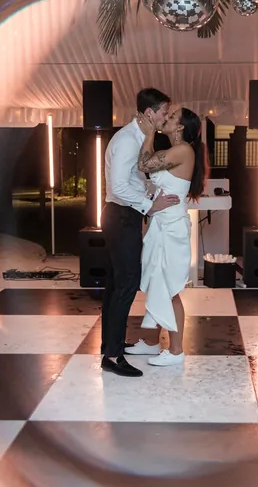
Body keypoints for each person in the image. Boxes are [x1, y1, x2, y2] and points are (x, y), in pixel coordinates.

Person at [100, 88, 180, 378]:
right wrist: (151, 205)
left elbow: (131, 180)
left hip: (122, 216)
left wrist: (149, 189)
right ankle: (112, 356)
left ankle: (111, 345)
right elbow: (119, 187)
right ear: (149, 113)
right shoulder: (126, 141)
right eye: (163, 112)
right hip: (121, 218)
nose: (165, 117)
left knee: (116, 286)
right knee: (126, 285)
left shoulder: (136, 138)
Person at [124, 106, 208, 366]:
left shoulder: (183, 151)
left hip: (172, 229)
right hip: (160, 225)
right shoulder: (170, 151)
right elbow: (149, 170)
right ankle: (150, 342)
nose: (166, 119)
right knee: (156, 285)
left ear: (181, 127)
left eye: (172, 118)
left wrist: (148, 133)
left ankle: (176, 351)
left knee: (170, 289)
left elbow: (143, 164)